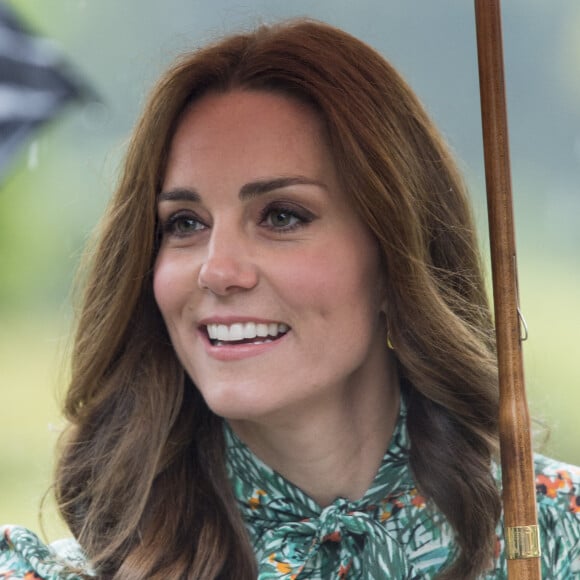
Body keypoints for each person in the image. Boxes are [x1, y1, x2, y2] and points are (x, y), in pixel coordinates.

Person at [1, 18, 579, 580]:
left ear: (395, 256)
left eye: (281, 216)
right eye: (183, 223)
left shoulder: (558, 537)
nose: (217, 270)